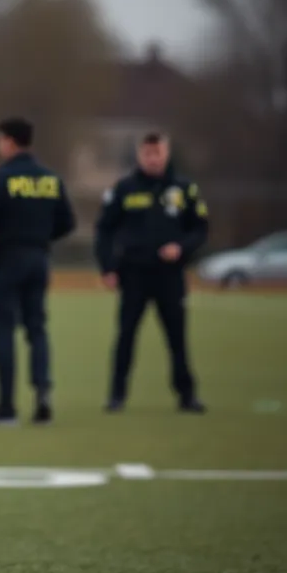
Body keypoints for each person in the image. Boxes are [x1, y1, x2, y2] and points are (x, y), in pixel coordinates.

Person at [0, 117, 76, 425]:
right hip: (39, 258)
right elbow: (67, 222)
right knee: (37, 328)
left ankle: (6, 406)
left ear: (9, 141)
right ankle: (42, 392)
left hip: (6, 259)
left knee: (4, 331)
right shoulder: (50, 179)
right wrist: (40, 236)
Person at [95, 132, 208, 413]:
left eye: (157, 153)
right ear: (139, 155)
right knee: (126, 336)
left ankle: (186, 395)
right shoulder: (124, 188)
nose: (153, 159)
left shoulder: (184, 189)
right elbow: (104, 229)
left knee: (177, 337)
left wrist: (181, 248)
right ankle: (117, 395)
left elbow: (200, 229)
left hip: (169, 276)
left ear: (166, 154)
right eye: (148, 154)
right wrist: (108, 267)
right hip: (133, 274)